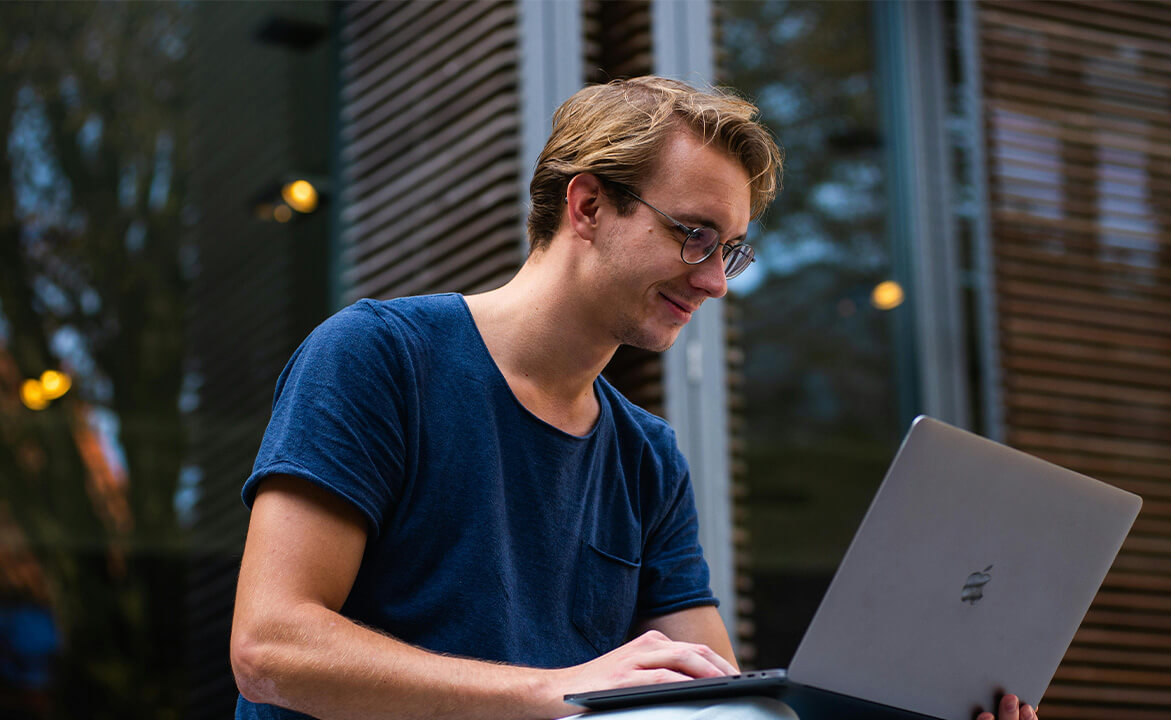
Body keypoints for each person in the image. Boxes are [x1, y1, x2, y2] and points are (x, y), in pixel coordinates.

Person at [230, 76, 1038, 720]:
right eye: (693, 235)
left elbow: (716, 703)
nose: (716, 280)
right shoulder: (379, 357)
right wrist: (557, 691)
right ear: (587, 207)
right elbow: (271, 650)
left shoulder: (647, 458)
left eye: (730, 251)